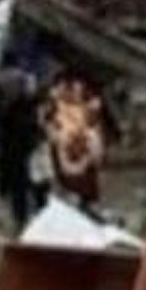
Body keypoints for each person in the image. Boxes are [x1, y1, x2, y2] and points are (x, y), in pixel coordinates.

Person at [0, 66, 45, 228]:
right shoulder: (29, 106)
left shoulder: (10, 107)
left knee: (19, 183)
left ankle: (22, 217)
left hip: (17, 148)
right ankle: (35, 213)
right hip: (26, 147)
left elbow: (0, 121)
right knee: (33, 182)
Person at [44, 71, 107, 213]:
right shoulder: (56, 105)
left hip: (81, 148)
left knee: (84, 180)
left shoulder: (89, 107)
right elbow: (50, 125)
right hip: (65, 147)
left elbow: (94, 126)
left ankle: (84, 203)